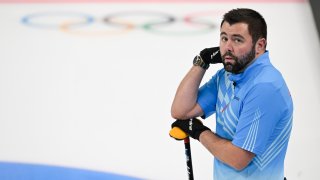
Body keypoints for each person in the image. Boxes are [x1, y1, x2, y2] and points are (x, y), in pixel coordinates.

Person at [170, 8, 293, 180]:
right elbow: (181, 110)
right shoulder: (228, 76)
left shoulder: (265, 87)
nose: (227, 47)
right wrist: (202, 61)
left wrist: (199, 132)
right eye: (224, 38)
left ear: (260, 45)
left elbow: (238, 158)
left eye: (237, 40)